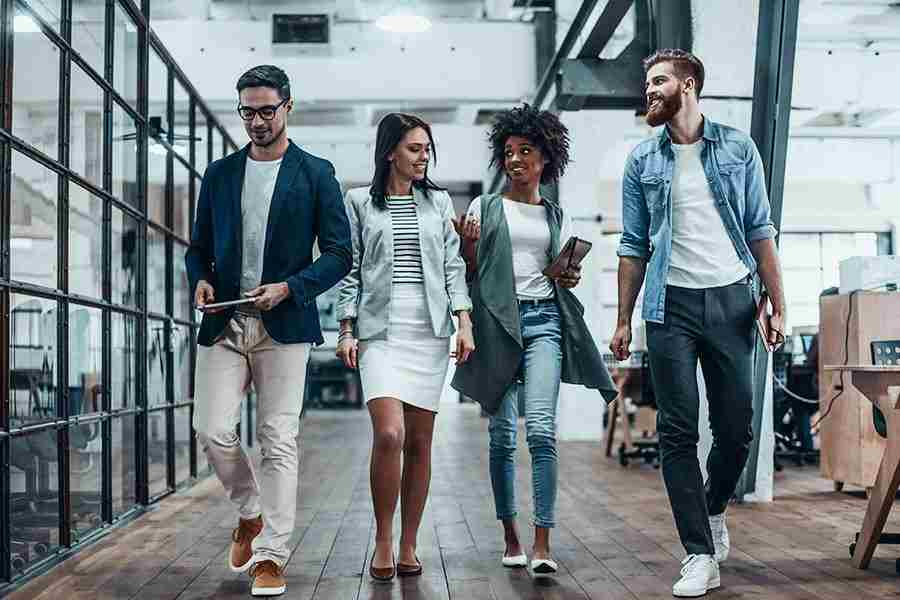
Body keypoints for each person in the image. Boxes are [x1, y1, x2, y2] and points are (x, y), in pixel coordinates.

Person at [609, 49, 787, 598]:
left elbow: (760, 228)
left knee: (737, 429)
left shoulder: (737, 147)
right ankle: (698, 554)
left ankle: (712, 509)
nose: (650, 91)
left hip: (733, 301)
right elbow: (633, 245)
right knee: (678, 433)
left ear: (688, 85)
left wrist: (778, 302)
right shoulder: (643, 160)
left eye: (659, 81)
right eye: (648, 83)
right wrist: (622, 318)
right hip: (669, 307)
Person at [185, 65, 352, 597]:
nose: (256, 121)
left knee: (279, 438)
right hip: (225, 321)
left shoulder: (316, 173)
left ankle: (272, 555)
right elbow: (198, 249)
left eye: (266, 111)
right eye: (247, 112)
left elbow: (340, 255)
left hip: (285, 324)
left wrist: (292, 287)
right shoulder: (219, 174)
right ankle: (251, 511)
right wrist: (201, 280)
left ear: (288, 108)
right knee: (211, 428)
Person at [452, 104, 617, 577]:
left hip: (545, 321)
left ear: (546, 159)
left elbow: (565, 277)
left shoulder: (555, 214)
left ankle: (543, 540)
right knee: (503, 434)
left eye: (526, 151)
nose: (515, 159)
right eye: (509, 151)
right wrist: (467, 246)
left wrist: (570, 272)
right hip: (496, 326)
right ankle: (511, 535)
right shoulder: (485, 207)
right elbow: (470, 269)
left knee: (541, 429)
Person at [335, 113, 474, 581]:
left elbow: (453, 266)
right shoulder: (358, 202)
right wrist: (346, 329)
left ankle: (410, 543)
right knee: (390, 434)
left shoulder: (437, 201)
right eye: (415, 148)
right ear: (390, 151)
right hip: (380, 334)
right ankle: (381, 538)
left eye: (427, 149)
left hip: (429, 332)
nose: (423, 157)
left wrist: (464, 320)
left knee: (419, 442)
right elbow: (350, 269)